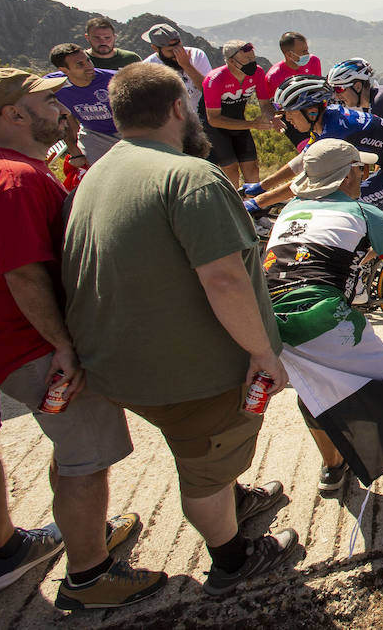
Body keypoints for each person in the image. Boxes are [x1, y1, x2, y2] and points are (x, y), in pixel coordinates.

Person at [62, 63, 296, 596]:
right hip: (190, 372)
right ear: (176, 109)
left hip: (121, 360)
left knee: (202, 449)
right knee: (204, 462)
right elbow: (224, 278)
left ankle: (233, 499)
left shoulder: (99, 172)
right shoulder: (191, 177)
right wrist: (262, 352)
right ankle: (233, 559)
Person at [0, 68, 163, 609]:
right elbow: (24, 273)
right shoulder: (14, 180)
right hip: (30, 343)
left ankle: (44, 541)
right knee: (87, 454)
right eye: (45, 100)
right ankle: (89, 575)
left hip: (3, 341)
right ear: (15, 114)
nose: (60, 108)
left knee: (69, 450)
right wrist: (62, 344)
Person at [261, 139, 383, 515]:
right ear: (347, 176)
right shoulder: (366, 213)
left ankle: (333, 467)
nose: (366, 172)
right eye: (361, 168)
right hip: (320, 311)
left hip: (268, 314)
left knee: (313, 387)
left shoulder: (290, 209)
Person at [245, 76, 383, 213]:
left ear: (311, 111)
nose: (287, 118)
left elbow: (306, 180)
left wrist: (259, 201)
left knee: (345, 209)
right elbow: (302, 161)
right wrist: (262, 186)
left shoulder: (337, 132)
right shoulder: (327, 119)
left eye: (290, 113)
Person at [202, 41, 279, 189]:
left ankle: (255, 204)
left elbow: (264, 104)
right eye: (247, 60)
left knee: (252, 168)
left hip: (240, 122)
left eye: (253, 58)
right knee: (231, 171)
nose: (252, 63)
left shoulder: (257, 72)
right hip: (217, 128)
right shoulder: (214, 79)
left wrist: (272, 118)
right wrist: (251, 124)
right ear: (231, 61)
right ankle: (235, 205)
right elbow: (213, 119)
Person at [44, 43, 120, 166]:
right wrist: (75, 152)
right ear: (64, 70)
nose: (89, 66)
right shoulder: (52, 85)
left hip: (127, 132)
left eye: (88, 60)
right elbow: (64, 121)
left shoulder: (114, 79)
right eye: (80, 64)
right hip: (93, 134)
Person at [141, 22, 212, 114]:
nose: (177, 53)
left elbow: (209, 91)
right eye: (170, 51)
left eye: (179, 47)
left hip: (200, 118)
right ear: (155, 48)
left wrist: (187, 65)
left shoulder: (197, 56)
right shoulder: (148, 67)